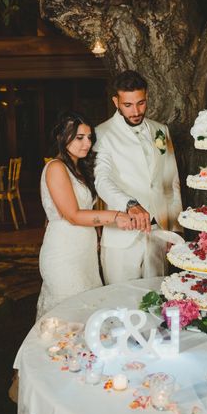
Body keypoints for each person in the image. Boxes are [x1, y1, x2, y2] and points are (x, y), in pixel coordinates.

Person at [35, 111, 133, 319]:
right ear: (62, 137)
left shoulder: (80, 170)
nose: (87, 143)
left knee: (88, 311)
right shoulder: (55, 168)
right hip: (63, 253)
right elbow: (73, 215)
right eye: (79, 138)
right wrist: (115, 216)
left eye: (89, 138)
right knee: (66, 314)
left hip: (84, 253)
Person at [94, 70, 183, 284]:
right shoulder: (101, 133)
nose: (136, 111)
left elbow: (171, 182)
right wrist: (130, 204)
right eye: (128, 105)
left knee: (156, 298)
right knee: (120, 302)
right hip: (121, 238)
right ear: (116, 101)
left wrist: (174, 230)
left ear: (147, 97)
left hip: (159, 235)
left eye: (141, 103)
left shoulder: (161, 130)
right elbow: (101, 180)